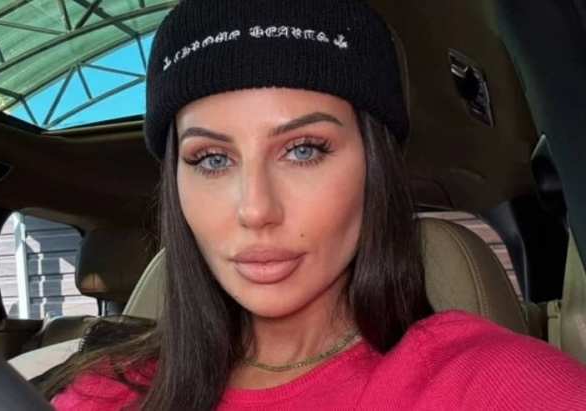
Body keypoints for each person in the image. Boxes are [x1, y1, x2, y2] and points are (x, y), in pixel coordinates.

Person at [42, 0, 586, 410]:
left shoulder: (495, 385)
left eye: (303, 150)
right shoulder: (103, 392)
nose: (255, 209)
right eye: (211, 158)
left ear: (374, 167)